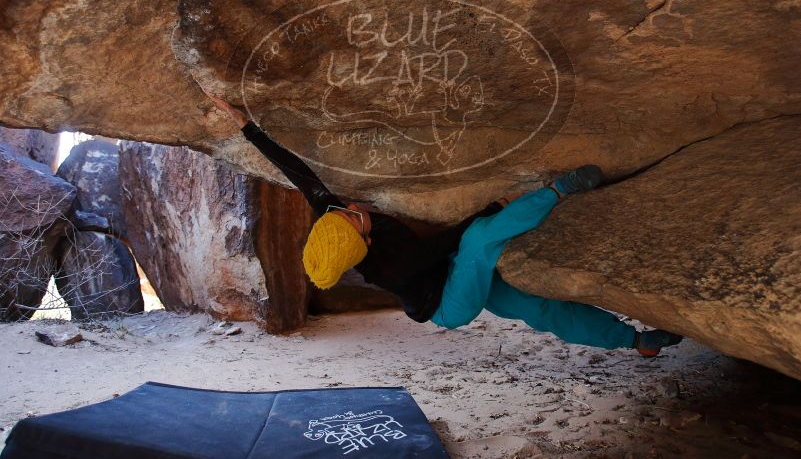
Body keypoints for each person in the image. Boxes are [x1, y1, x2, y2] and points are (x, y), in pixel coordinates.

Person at [206, 91, 682, 357]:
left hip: (449, 272)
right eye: (355, 219)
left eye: (344, 212)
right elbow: (457, 240)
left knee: (541, 311)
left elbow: (296, 170)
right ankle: (560, 190)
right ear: (361, 242)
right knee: (479, 239)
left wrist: (245, 125)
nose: (353, 208)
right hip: (448, 306)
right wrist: (492, 206)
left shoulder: (333, 216)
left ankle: (636, 341)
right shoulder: (395, 267)